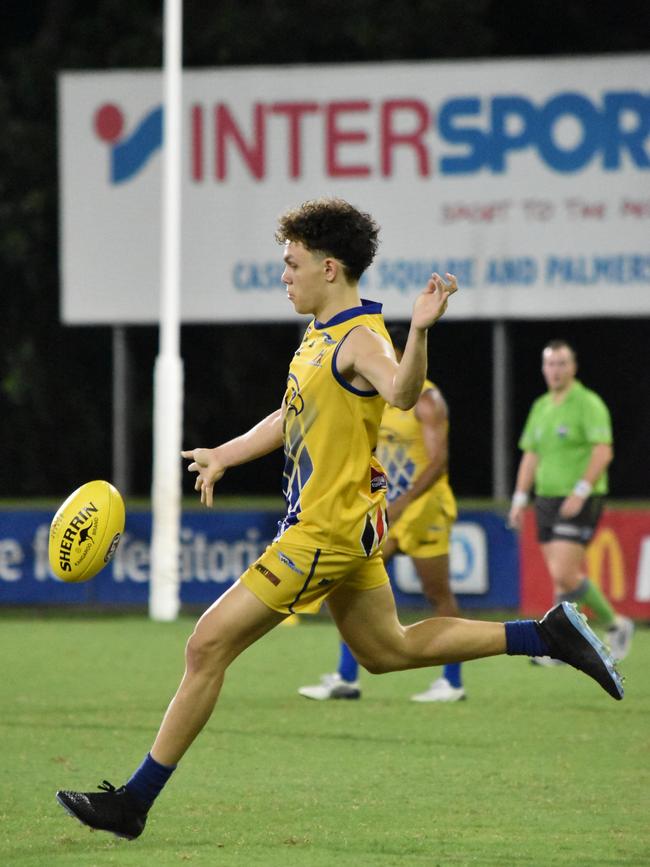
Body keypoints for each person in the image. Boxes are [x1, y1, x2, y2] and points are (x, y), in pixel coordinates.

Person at [56, 198, 623, 842]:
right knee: (387, 651)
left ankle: (133, 801)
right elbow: (290, 414)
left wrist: (422, 330)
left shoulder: (360, 339)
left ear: (330, 267)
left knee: (205, 645)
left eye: (291, 262)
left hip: (323, 535)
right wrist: (223, 456)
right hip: (347, 526)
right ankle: (543, 636)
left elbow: (403, 393)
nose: (284, 274)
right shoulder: (320, 334)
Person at [298, 325, 466, 703]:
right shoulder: (378, 396)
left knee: (437, 592)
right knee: (348, 579)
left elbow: (438, 462)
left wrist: (405, 501)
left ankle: (452, 682)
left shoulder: (426, 399)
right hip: (388, 507)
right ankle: (346, 677)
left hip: (424, 508)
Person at [508, 339, 634, 664]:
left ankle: (616, 624)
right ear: (543, 368)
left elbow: (603, 450)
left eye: (562, 363)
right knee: (561, 577)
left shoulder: (587, 403)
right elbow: (531, 455)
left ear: (573, 367)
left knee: (565, 573)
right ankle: (562, 645)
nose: (556, 370)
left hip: (580, 498)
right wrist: (520, 498)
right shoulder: (541, 406)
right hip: (546, 500)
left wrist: (580, 490)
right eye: (550, 363)